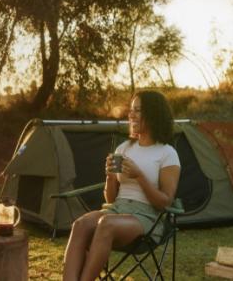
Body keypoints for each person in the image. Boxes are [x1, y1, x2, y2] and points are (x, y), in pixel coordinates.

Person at [62, 90, 181, 281]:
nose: (131, 114)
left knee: (105, 224)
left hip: (146, 218)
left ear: (153, 114)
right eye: (131, 110)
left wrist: (139, 176)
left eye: (138, 110)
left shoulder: (167, 153)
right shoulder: (124, 148)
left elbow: (164, 202)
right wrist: (110, 176)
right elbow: (110, 199)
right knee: (80, 224)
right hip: (117, 210)